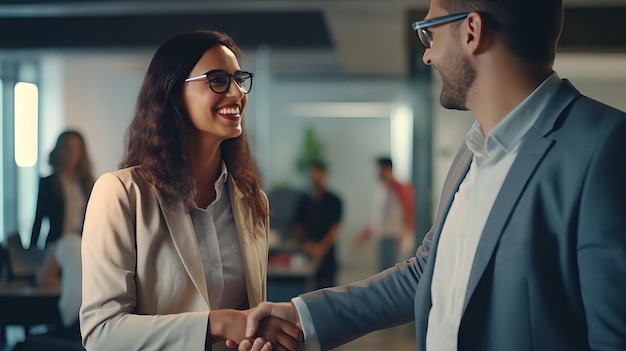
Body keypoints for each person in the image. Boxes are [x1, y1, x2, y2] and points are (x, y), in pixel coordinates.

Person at [237, 0, 626, 350]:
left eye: (430, 33)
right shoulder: (470, 152)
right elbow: (427, 271)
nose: (427, 56)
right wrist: (303, 317)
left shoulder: (604, 147)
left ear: (471, 31)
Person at [79, 30, 301, 351]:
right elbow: (102, 332)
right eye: (218, 80)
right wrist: (219, 323)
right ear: (172, 92)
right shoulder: (120, 194)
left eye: (238, 79)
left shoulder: (251, 201)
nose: (237, 92)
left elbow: (250, 319)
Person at [30, 130, 94, 249]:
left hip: (81, 246)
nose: (72, 153)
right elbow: (39, 218)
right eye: (68, 148)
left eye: (76, 148)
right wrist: (31, 251)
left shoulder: (87, 183)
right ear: (59, 150)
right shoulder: (48, 182)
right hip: (55, 246)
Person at [352, 157, 415, 271]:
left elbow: (409, 211)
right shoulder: (382, 189)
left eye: (379, 170)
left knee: (394, 274)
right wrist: (363, 236)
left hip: (395, 238)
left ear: (387, 169)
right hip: (383, 237)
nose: (377, 173)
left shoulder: (400, 188)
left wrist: (406, 234)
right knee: (383, 272)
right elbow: (377, 218)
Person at [292, 161, 342, 289]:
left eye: (318, 172)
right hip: (307, 250)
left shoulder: (334, 200)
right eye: (313, 172)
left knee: (327, 288)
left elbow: (335, 229)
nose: (315, 176)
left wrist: (321, 248)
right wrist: (305, 244)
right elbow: (297, 226)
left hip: (326, 252)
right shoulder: (304, 200)